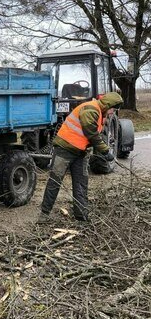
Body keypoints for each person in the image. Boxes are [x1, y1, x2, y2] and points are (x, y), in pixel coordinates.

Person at [36, 92, 124, 224]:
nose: (113, 112)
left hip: (80, 153)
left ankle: (81, 216)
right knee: (55, 181)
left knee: (81, 183)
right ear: (107, 104)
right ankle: (44, 215)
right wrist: (105, 151)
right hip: (64, 150)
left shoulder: (100, 114)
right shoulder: (91, 109)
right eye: (113, 108)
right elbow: (91, 133)